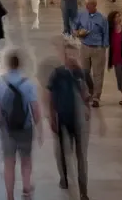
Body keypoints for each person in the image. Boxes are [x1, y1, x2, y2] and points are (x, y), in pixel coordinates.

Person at [46, 42, 92, 198]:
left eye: (74, 54)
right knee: (64, 152)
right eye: (68, 54)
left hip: (78, 121)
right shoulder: (57, 74)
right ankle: (64, 178)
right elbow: (50, 96)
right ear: (63, 57)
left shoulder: (82, 73)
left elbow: (86, 95)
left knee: (81, 156)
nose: (72, 57)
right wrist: (52, 116)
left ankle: (83, 191)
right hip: (63, 120)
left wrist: (88, 110)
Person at [0, 51, 41, 200]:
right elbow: (34, 107)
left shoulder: (0, 83)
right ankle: (26, 189)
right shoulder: (28, 83)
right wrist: (39, 127)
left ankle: (10, 195)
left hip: (8, 129)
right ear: (20, 65)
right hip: (25, 127)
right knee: (26, 160)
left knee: (9, 163)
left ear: (8, 65)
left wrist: (1, 123)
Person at [75, 0, 109, 107]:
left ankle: (96, 97)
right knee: (84, 72)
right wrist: (78, 33)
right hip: (85, 47)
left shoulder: (102, 19)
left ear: (95, 5)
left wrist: (103, 47)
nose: (86, 7)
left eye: (89, 5)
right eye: (86, 5)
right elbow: (74, 27)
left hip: (98, 48)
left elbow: (106, 34)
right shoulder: (82, 15)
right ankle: (87, 93)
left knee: (98, 74)